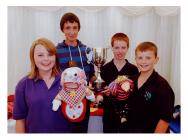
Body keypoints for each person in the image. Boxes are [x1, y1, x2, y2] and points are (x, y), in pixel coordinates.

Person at [13, 38, 72, 133]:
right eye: (40, 55)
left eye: (50, 54)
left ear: (55, 57)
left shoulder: (67, 81)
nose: (46, 59)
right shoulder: (23, 85)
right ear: (33, 58)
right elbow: (20, 120)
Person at [56, 12, 95, 133]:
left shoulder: (87, 50)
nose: (72, 32)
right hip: (65, 99)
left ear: (79, 29)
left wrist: (92, 83)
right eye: (68, 28)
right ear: (62, 29)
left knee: (81, 132)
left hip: (83, 99)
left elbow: (93, 74)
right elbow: (54, 75)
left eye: (75, 28)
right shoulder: (56, 51)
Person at [127, 41, 175, 133]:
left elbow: (165, 119)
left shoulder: (162, 86)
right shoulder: (131, 80)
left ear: (156, 60)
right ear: (135, 59)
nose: (143, 61)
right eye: (140, 58)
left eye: (148, 58)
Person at [100, 33, 139, 133]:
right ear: (112, 48)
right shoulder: (104, 69)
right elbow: (100, 91)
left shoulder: (133, 69)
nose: (120, 51)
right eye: (117, 47)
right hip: (109, 115)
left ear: (127, 48)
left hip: (127, 116)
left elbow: (135, 93)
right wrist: (104, 93)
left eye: (123, 47)